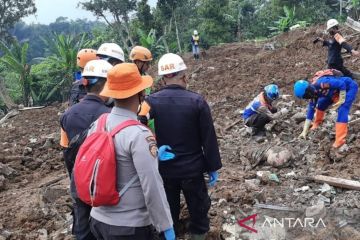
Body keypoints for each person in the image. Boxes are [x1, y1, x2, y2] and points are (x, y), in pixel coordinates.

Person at [138, 53, 222, 240]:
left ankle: (171, 233)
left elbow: (138, 125)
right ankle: (198, 234)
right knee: (198, 207)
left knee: (169, 207)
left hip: (165, 169)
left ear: (163, 78)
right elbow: (208, 138)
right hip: (193, 169)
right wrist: (212, 167)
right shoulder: (197, 101)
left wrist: (152, 150)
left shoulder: (151, 102)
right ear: (184, 75)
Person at [87, 63, 175, 240]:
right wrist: (165, 225)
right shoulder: (139, 135)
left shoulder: (99, 124)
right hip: (129, 226)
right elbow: (152, 187)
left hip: (97, 220)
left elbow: (114, 163)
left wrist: (154, 155)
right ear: (140, 93)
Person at [60, 60, 113, 240]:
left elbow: (67, 150)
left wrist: (73, 176)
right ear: (107, 84)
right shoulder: (109, 115)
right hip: (104, 180)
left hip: (79, 177)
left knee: (82, 227)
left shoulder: (68, 115)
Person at [294, 70, 358, 148]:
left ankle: (340, 140)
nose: (308, 97)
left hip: (349, 87)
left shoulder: (321, 83)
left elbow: (341, 84)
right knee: (321, 103)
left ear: (309, 89)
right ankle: (317, 123)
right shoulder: (313, 95)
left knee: (342, 109)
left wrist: (341, 99)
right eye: (306, 97)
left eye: (307, 95)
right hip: (334, 92)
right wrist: (304, 132)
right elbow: (310, 111)